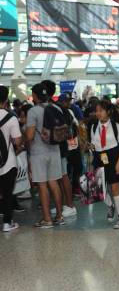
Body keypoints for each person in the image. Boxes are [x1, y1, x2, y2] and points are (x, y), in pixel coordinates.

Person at [26, 83, 64, 228]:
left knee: (42, 185)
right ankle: (60, 216)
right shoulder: (56, 108)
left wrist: (24, 139)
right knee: (54, 182)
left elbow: (29, 136)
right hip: (55, 150)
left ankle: (47, 219)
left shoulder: (33, 111)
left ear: (35, 96)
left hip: (38, 153)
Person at [90, 99, 119, 229]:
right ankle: (110, 205)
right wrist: (90, 147)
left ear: (108, 111)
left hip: (113, 158)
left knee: (115, 187)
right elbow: (94, 145)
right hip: (98, 158)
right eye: (97, 111)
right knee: (100, 189)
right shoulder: (94, 127)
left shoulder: (117, 127)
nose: (98, 113)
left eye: (101, 110)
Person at [43, 81, 76, 218]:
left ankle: (69, 205)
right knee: (60, 176)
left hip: (59, 147)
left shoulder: (54, 108)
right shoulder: (58, 108)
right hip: (60, 146)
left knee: (63, 176)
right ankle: (64, 204)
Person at [0, 85, 22, 232]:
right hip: (7, 162)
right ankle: (7, 223)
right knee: (7, 193)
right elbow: (17, 141)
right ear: (6, 99)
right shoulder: (11, 117)